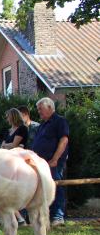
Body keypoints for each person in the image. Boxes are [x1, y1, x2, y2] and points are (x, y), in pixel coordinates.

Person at [32, 97, 69, 227]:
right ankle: (44, 215)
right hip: (41, 163)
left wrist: (55, 159)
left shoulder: (60, 121)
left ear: (49, 108)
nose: (39, 112)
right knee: (42, 188)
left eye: (40, 109)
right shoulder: (42, 125)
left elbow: (64, 141)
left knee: (56, 185)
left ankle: (58, 216)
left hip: (53, 163)